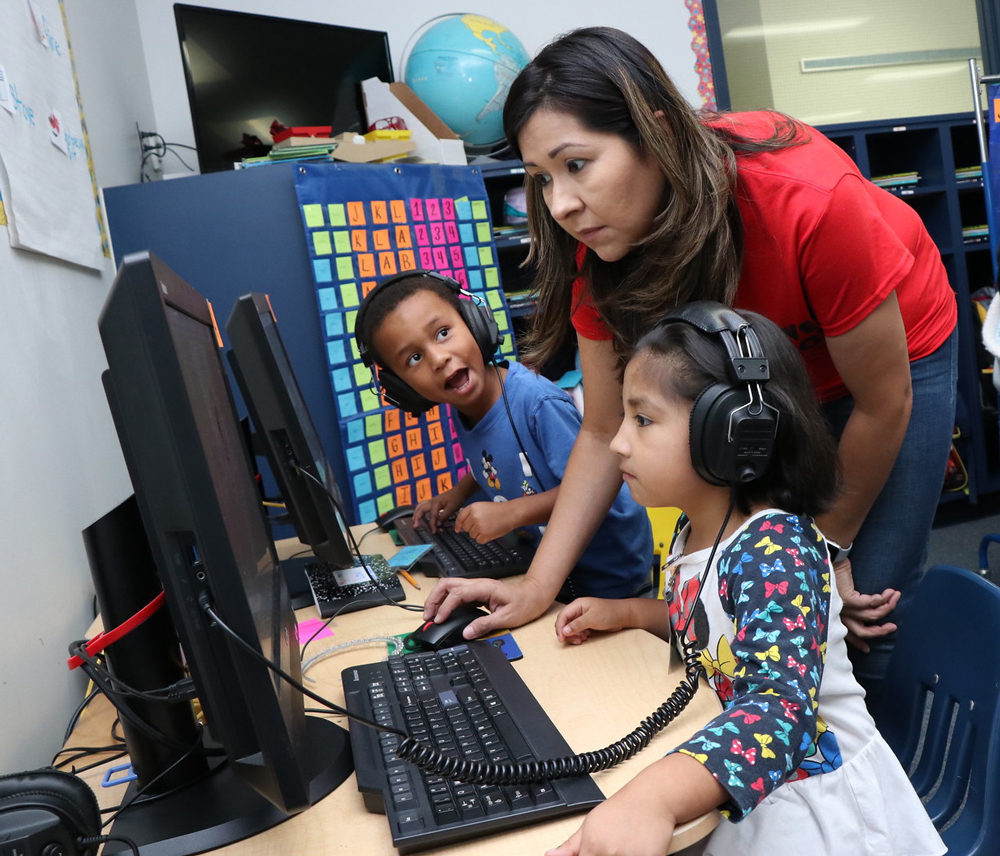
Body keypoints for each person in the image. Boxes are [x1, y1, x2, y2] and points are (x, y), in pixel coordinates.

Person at [422, 27, 958, 699]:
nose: (559, 205)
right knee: (740, 605)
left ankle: (883, 785)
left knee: (857, 608)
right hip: (753, 383)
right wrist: (537, 586)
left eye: (577, 164)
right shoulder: (605, 254)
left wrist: (820, 554)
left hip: (889, 365)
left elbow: (884, 403)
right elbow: (599, 428)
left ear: (657, 129)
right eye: (542, 180)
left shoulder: (809, 200)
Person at [548, 303, 944, 856]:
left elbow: (779, 707)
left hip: (817, 806)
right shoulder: (696, 530)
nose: (617, 443)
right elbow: (717, 626)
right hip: (737, 769)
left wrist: (654, 800)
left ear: (731, 433)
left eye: (641, 419)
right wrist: (633, 613)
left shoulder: (774, 548)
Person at [353, 269, 653, 600]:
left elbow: (596, 487)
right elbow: (497, 455)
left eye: (442, 333)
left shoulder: (537, 404)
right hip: (555, 580)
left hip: (612, 581)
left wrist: (512, 513)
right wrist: (460, 491)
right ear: (401, 388)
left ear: (475, 322)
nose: (438, 359)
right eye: (414, 358)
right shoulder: (465, 405)